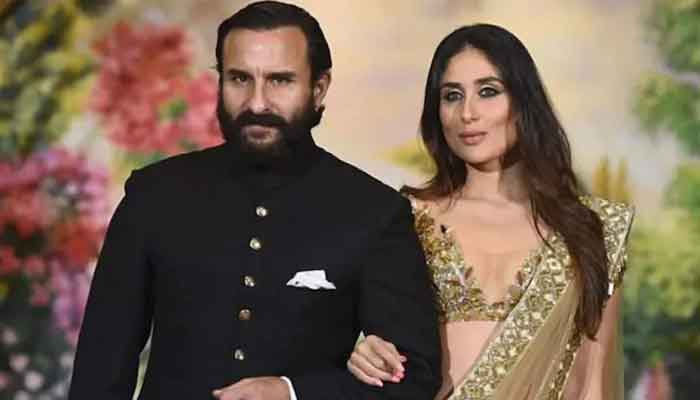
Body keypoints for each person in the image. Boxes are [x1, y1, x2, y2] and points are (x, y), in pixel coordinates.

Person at [68, 2, 442, 399]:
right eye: (239, 79)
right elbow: (100, 370)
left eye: (280, 80)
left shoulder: (374, 212)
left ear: (319, 88)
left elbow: (414, 376)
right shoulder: (154, 195)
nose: (257, 103)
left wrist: (291, 392)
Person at [346, 24, 634, 400]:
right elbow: (370, 342)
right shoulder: (405, 219)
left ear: (524, 101)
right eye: (452, 96)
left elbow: (594, 379)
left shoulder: (593, 229)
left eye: (488, 92)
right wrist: (362, 354)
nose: (467, 113)